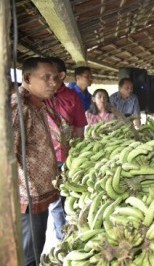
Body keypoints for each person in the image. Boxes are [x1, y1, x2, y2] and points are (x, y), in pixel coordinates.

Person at [12, 57, 59, 266]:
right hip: (27, 198)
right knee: (29, 257)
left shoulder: (37, 105)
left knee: (36, 250)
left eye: (55, 78)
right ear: (27, 78)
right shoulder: (19, 108)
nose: (53, 83)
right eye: (46, 77)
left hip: (39, 195)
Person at [44, 57, 87, 241]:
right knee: (53, 200)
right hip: (45, 156)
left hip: (68, 154)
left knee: (67, 195)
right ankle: (62, 236)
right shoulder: (38, 96)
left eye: (50, 75)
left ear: (61, 75)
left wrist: (79, 151)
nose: (47, 80)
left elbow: (79, 127)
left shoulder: (71, 96)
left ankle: (69, 229)